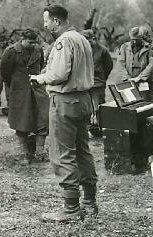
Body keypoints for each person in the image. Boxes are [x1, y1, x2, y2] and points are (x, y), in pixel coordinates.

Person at [30, 5, 98, 222]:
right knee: (83, 151)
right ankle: (90, 203)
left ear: (57, 21)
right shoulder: (82, 39)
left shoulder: (63, 41)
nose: (45, 25)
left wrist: (40, 78)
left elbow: (60, 74)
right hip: (84, 100)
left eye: (47, 21)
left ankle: (70, 208)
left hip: (65, 101)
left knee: (62, 153)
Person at [0, 29, 48, 165]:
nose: (33, 45)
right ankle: (23, 152)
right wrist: (16, 85)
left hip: (37, 90)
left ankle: (40, 151)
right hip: (19, 91)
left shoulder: (38, 50)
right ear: (23, 39)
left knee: (42, 120)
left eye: (34, 42)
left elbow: (41, 65)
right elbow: (5, 72)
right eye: (30, 42)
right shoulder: (11, 51)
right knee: (22, 122)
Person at [118, 27, 153, 107]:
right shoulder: (124, 47)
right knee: (131, 102)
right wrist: (126, 78)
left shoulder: (151, 47)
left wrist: (140, 78)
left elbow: (152, 64)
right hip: (129, 79)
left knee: (149, 103)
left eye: (136, 39)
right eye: (132, 39)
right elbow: (120, 63)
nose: (134, 41)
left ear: (142, 38)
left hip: (146, 80)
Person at [81, 29, 113, 138]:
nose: (86, 42)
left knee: (98, 107)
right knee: (86, 107)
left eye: (88, 39)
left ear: (93, 38)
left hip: (98, 84)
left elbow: (109, 66)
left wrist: (102, 79)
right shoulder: (82, 50)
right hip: (84, 84)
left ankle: (101, 129)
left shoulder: (103, 50)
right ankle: (90, 129)